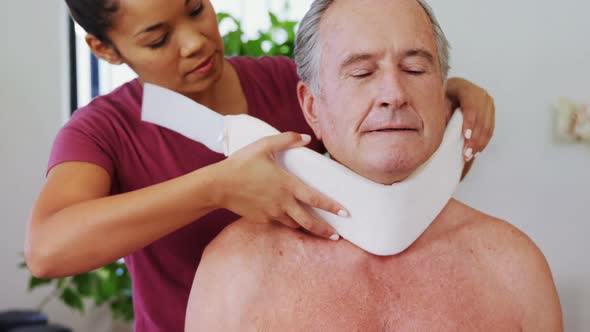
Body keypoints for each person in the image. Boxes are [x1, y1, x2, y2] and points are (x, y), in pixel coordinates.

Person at [25, 0, 495, 331]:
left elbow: (400, 179)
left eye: (195, 9)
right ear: (104, 49)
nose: (194, 42)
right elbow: (48, 248)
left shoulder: (292, 85)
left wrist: (448, 99)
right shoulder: (103, 131)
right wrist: (216, 188)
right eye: (158, 39)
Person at [185, 0, 562, 331]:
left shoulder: (515, 269)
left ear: (441, 94)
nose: (394, 95)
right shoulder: (235, 272)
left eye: (415, 70)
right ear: (312, 107)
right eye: (362, 73)